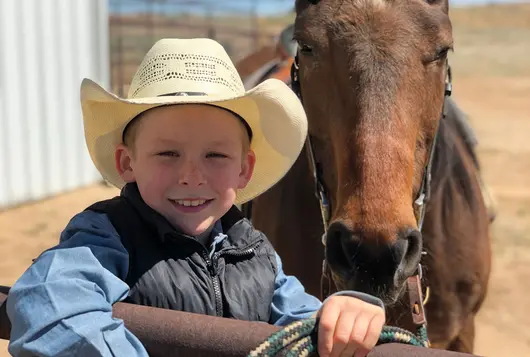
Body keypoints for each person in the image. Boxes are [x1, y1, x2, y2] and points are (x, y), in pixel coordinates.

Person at [6, 38, 385, 357]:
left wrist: (344, 311)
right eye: (167, 154)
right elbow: (50, 300)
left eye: (216, 156)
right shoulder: (108, 237)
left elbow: (301, 326)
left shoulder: (257, 254)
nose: (191, 177)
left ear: (244, 169)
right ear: (128, 162)